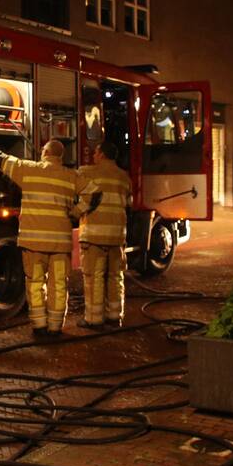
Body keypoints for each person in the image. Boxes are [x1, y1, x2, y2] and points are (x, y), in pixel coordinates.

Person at [0, 140, 102, 336]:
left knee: (34, 283)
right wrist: (77, 212)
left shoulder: (29, 170)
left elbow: (2, 159)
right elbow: (95, 193)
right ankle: (55, 327)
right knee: (58, 284)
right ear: (60, 157)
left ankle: (39, 326)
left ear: (45, 153)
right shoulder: (71, 176)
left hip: (33, 244)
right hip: (59, 245)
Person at [76, 141, 132, 330]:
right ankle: (115, 315)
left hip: (94, 236)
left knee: (94, 276)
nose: (93, 156)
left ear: (101, 154)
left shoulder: (87, 172)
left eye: (95, 152)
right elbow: (129, 203)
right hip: (117, 236)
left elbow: (81, 199)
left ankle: (93, 318)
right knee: (115, 276)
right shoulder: (124, 177)